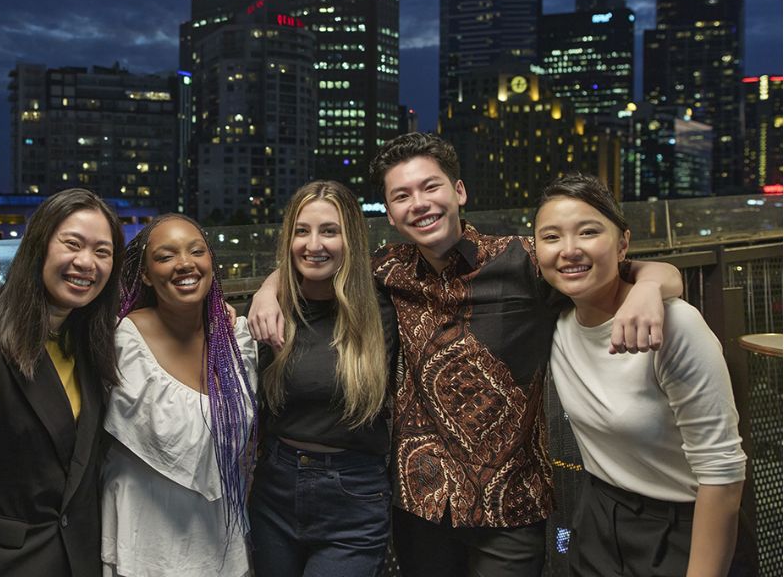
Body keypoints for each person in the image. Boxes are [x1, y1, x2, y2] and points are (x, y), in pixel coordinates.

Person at [249, 133, 682, 577]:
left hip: (510, 505)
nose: (419, 203)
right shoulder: (386, 270)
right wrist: (269, 289)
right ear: (392, 215)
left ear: (458, 192)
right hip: (420, 505)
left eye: (430, 187)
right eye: (402, 196)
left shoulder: (524, 261)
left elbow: (644, 270)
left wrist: (648, 287)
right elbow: (313, 256)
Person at [535, 174, 745, 577]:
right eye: (551, 237)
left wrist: (650, 287)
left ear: (623, 244)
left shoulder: (675, 326)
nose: (570, 250)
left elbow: (723, 477)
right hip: (597, 514)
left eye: (589, 231)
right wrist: (653, 279)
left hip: (683, 526)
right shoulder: (553, 315)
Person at [0, 188, 124, 577]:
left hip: (79, 561)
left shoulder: (86, 341)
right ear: (38, 246)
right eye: (73, 244)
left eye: (103, 252)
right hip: (10, 564)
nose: (86, 262)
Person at [248, 181, 398, 577]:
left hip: (354, 496)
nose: (314, 244)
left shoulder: (384, 304)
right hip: (273, 490)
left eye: (329, 231)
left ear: (351, 236)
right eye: (302, 231)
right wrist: (268, 288)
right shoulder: (271, 312)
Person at [101, 214, 257, 577]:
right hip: (144, 538)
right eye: (166, 256)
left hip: (219, 538)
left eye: (196, 251)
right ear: (144, 274)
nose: (185, 263)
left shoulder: (236, 338)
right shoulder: (122, 341)